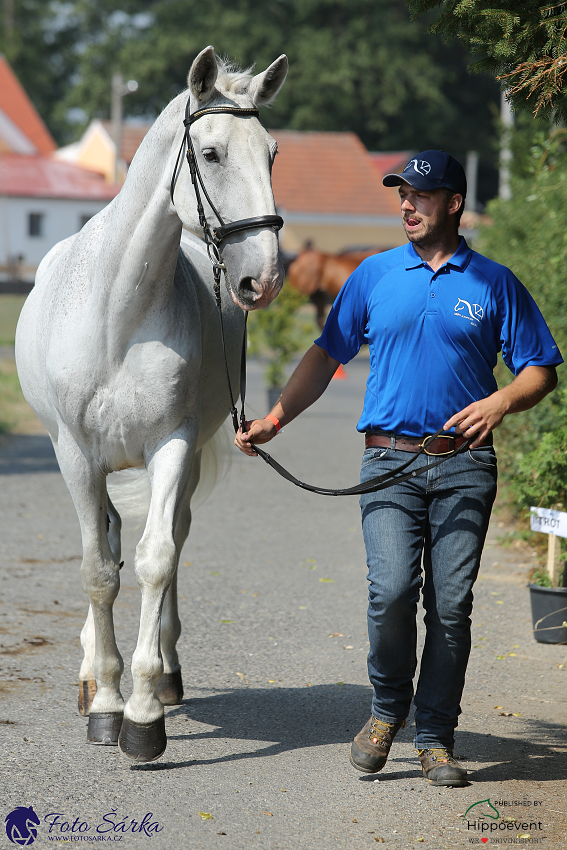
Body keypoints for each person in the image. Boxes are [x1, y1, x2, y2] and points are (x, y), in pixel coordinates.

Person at [235, 150, 562, 787]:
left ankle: (436, 736)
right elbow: (328, 352)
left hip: (465, 467)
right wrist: (275, 419)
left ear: (454, 203)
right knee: (390, 593)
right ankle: (387, 713)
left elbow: (541, 369)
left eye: (420, 195)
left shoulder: (494, 282)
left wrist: (499, 402)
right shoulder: (373, 275)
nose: (407, 205)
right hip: (388, 462)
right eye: (401, 196)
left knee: (451, 608)